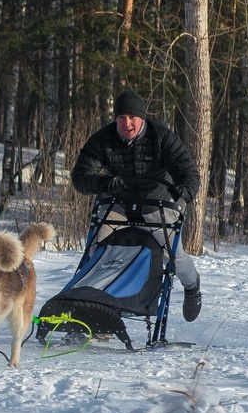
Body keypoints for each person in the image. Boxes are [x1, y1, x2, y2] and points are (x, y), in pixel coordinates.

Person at [69, 90, 203, 322]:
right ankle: (96, 306)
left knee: (173, 255)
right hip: (118, 205)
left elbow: (189, 173)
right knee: (97, 250)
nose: (127, 123)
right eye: (121, 117)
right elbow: (80, 177)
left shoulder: (162, 137)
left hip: (157, 204)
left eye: (132, 117)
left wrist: (184, 193)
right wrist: (103, 183)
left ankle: (192, 286)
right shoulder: (103, 139)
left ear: (142, 118)